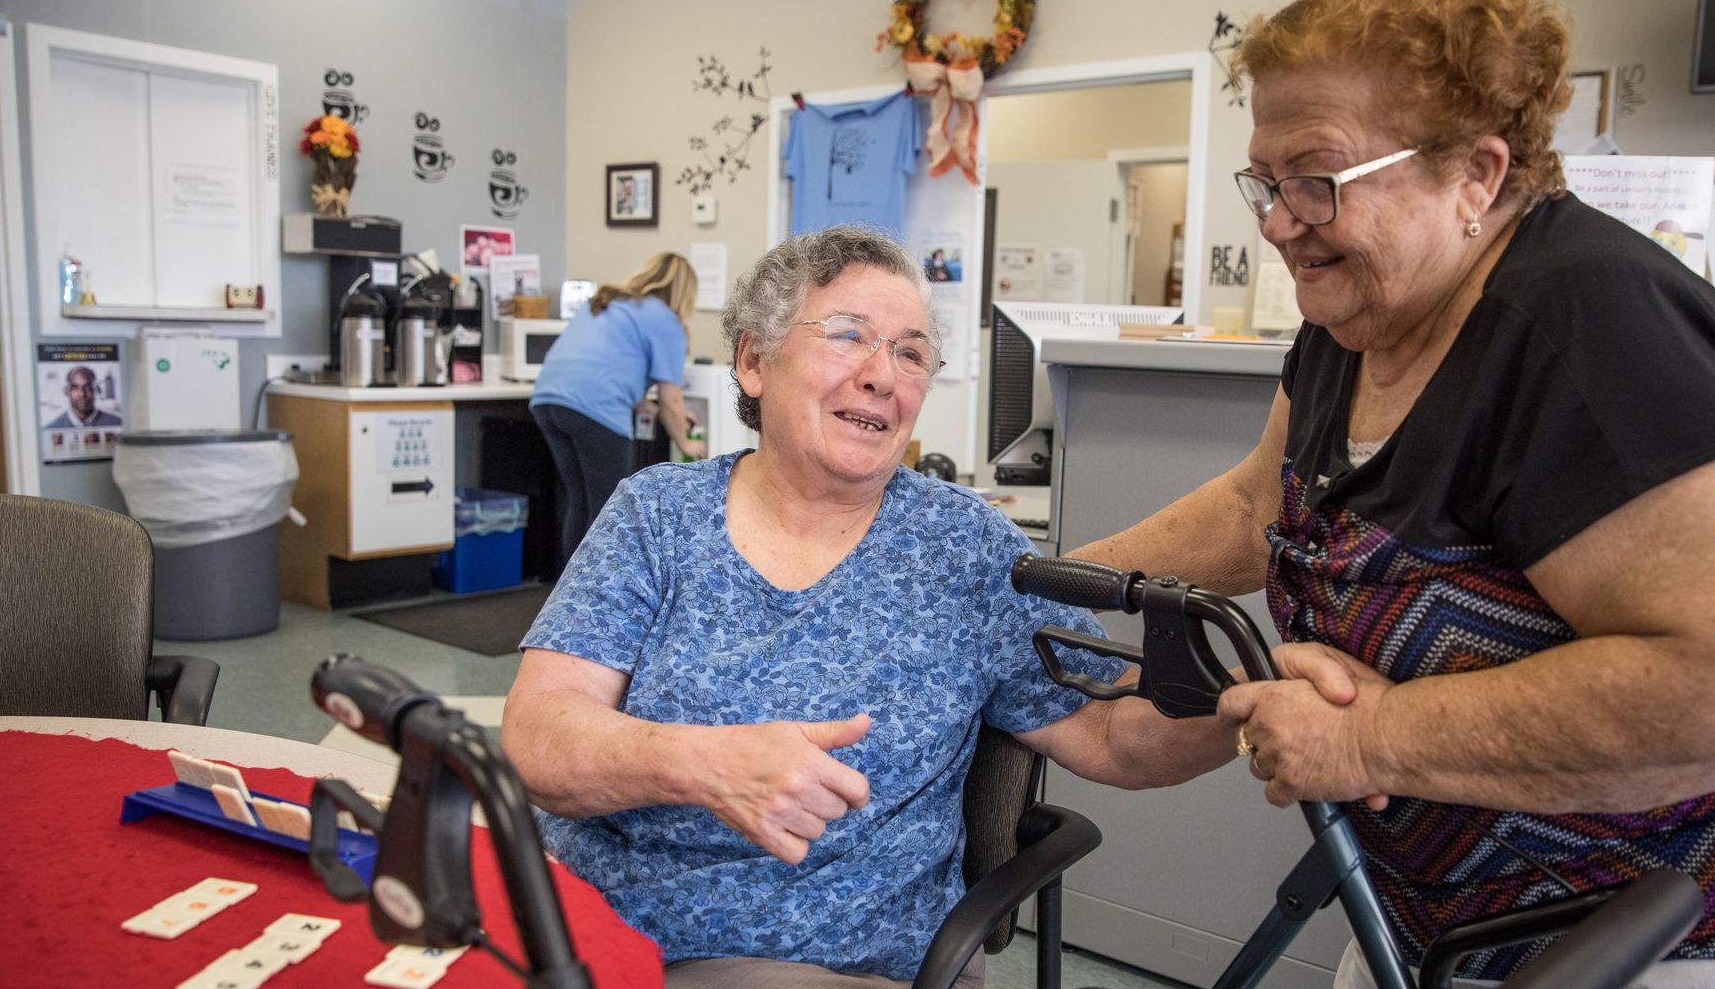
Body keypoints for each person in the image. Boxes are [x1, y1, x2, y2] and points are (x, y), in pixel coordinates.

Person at [1068, 0, 1715, 988]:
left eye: (1315, 181)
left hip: (1701, 925)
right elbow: (1252, 506)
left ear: (1476, 175)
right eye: (1266, 182)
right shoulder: (1355, 320)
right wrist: (1044, 579)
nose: (1277, 222)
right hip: (1456, 919)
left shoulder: (1588, 321)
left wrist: (1374, 741)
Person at [502, 227, 1243, 987]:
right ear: (754, 361)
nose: (883, 375)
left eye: (912, 353)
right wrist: (701, 764)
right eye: (849, 336)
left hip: (814, 960)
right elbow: (536, 740)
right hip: (580, 929)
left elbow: (1114, 736)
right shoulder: (657, 514)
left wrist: (1247, 704)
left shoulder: (964, 548)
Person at [531, 253, 703, 567]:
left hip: (548, 401)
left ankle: (570, 597)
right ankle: (600, 600)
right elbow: (671, 399)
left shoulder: (607, 302)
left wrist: (645, 405)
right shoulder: (666, 319)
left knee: (580, 503)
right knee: (611, 510)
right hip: (595, 408)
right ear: (683, 293)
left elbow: (606, 363)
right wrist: (686, 443)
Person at [44, 365, 121, 428]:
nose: (82, 394)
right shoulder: (51, 428)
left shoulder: (118, 423)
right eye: (75, 387)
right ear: (66, 392)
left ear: (97, 390)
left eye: (88, 387)